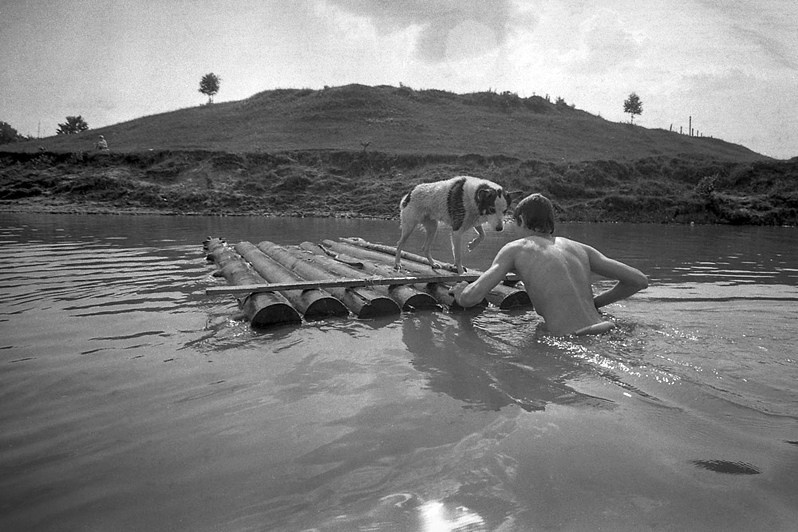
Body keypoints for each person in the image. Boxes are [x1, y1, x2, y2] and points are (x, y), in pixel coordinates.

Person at [450, 193, 648, 336]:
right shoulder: (580, 248)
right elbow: (639, 281)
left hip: (573, 340)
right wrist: (594, 304)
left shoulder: (516, 248)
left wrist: (461, 293)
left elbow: (472, 297)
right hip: (607, 329)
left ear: (520, 220)